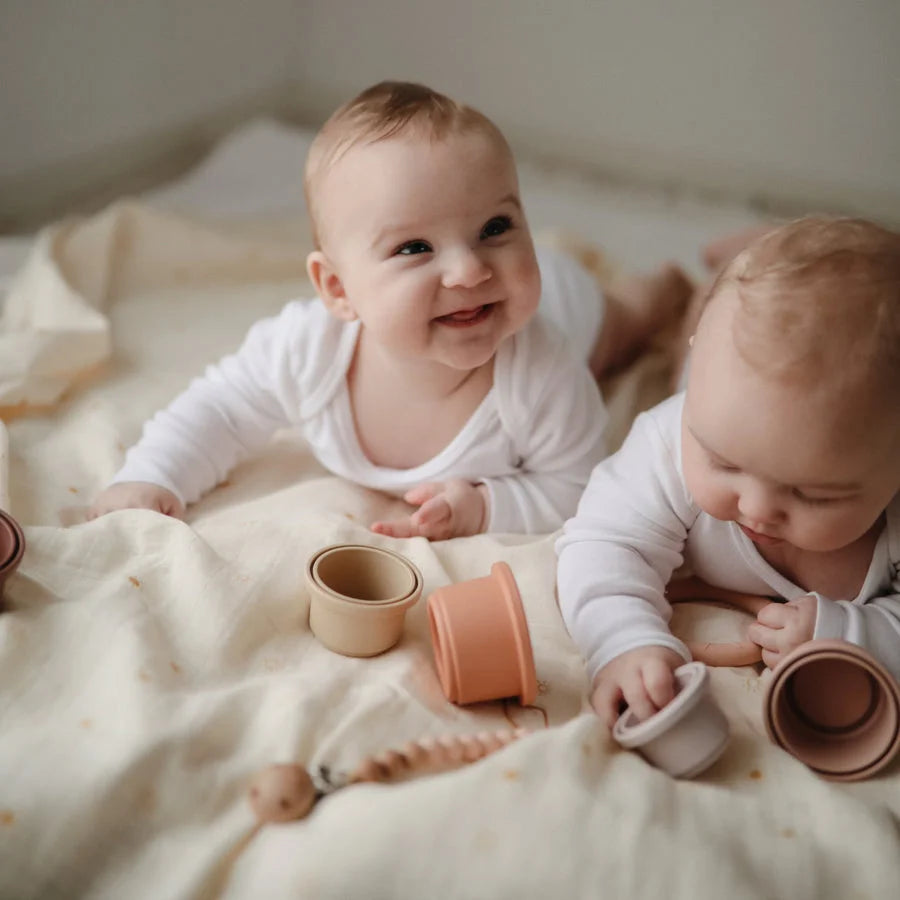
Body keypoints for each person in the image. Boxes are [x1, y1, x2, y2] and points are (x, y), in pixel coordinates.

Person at [88, 81, 686, 538]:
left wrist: (487, 506)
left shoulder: (544, 372)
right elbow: (220, 408)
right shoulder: (307, 350)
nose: (469, 270)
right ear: (338, 290)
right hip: (528, 291)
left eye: (496, 226)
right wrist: (153, 475)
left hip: (566, 299)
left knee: (622, 331)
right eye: (415, 247)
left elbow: (577, 486)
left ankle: (664, 290)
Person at [556, 216, 900, 726]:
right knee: (696, 343)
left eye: (814, 495)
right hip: (703, 374)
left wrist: (850, 633)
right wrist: (625, 640)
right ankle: (710, 287)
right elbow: (603, 543)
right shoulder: (674, 439)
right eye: (723, 463)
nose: (756, 508)